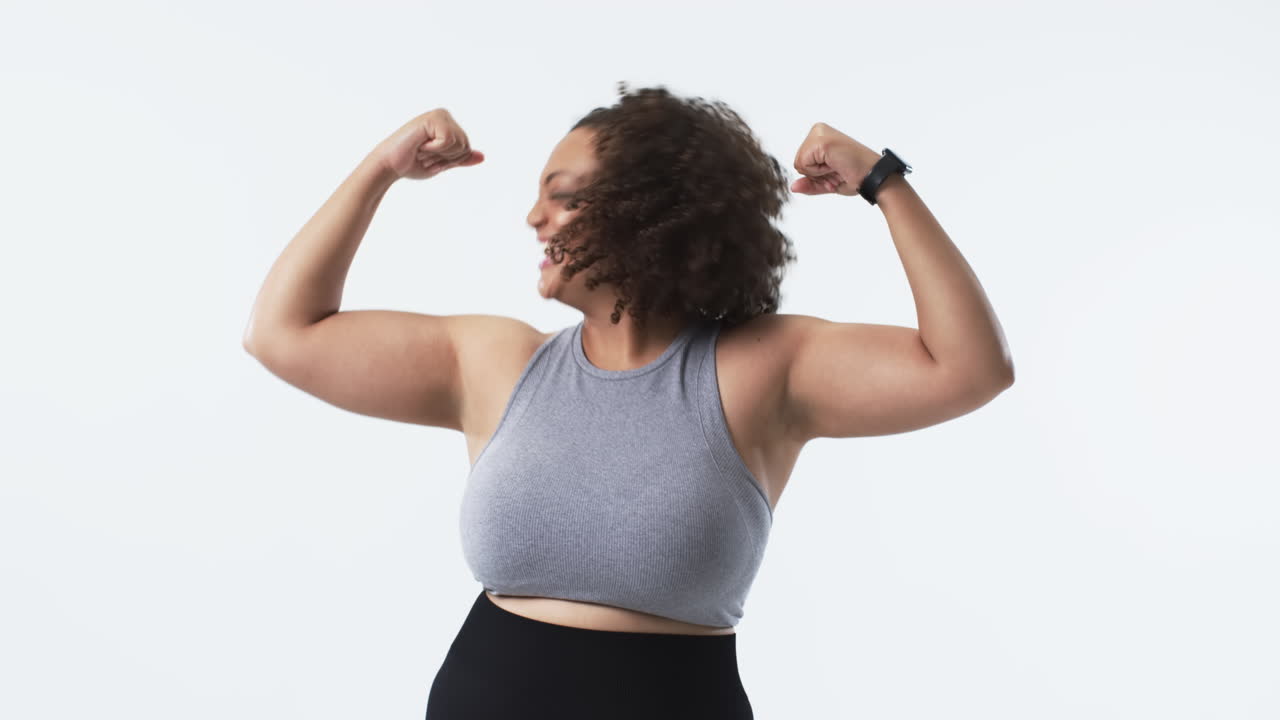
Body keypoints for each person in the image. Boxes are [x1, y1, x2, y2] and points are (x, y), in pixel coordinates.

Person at [242, 82, 1015, 719]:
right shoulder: (498, 361)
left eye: (563, 198)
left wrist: (883, 181)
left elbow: (971, 367)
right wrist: (382, 166)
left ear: (649, 218)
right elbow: (282, 332)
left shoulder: (761, 366)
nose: (533, 218)